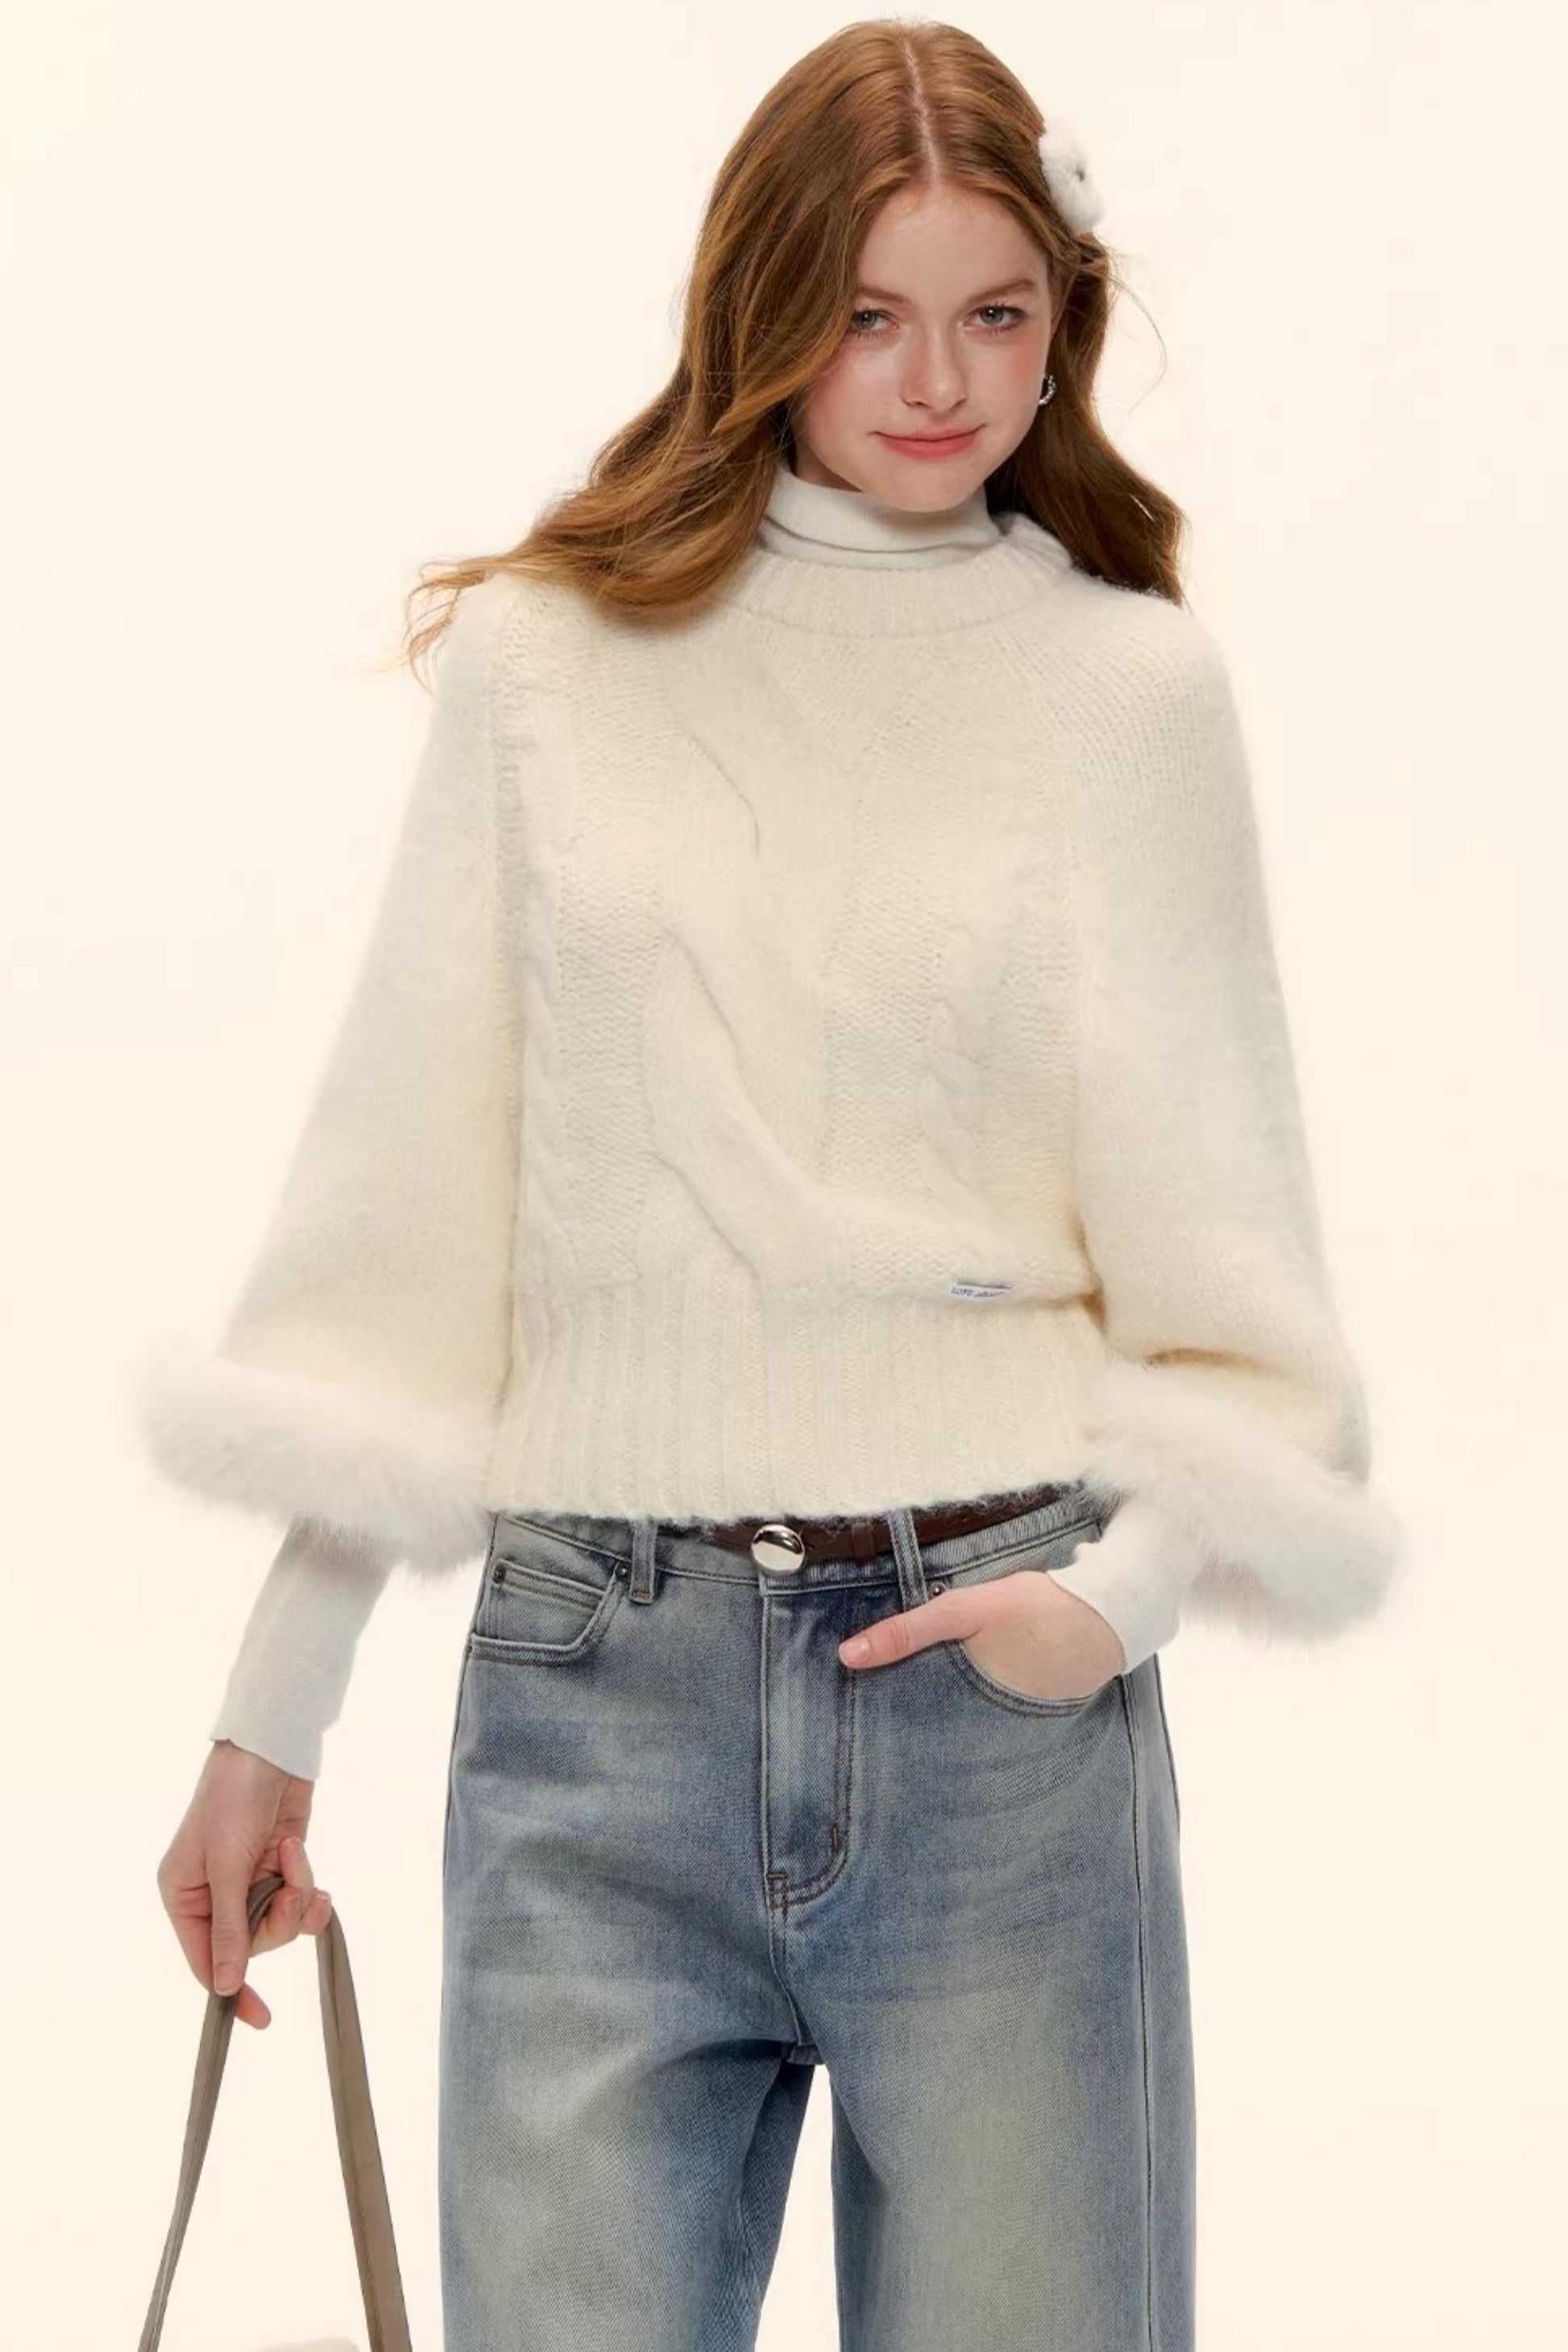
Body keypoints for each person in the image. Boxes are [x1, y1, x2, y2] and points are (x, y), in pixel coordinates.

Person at [142, 22, 1404, 2350]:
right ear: (762, 311)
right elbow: (407, 1242)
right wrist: (268, 1720)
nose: (934, 380)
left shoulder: (1124, 694)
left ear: (1061, 318)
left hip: (998, 1714)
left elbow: (1232, 1288)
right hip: (591, 1702)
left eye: (993, 313)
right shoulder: (551, 665)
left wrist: (1108, 1609)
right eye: (865, 311)